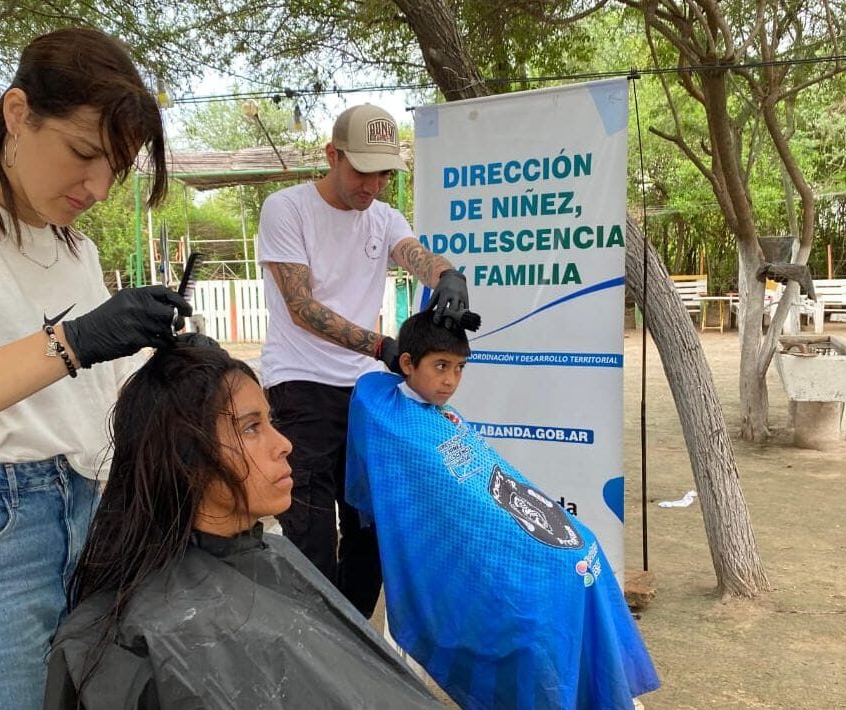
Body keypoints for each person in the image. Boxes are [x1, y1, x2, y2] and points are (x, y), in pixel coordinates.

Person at [0, 28, 192, 709]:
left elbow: (90, 393)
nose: (97, 186)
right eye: (84, 153)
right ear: (17, 114)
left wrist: (169, 373)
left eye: (115, 167)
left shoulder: (75, 249)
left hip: (90, 512)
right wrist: (73, 342)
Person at [44, 344, 444, 709]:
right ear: (188, 457)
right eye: (252, 427)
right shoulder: (133, 644)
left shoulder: (277, 557)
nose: (284, 443)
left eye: (271, 421)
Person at [345, 312, 661, 710]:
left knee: (584, 551)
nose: (450, 381)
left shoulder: (443, 417)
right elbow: (368, 386)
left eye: (459, 369)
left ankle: (604, 691)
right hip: (462, 545)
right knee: (553, 590)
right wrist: (390, 354)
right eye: (440, 367)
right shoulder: (387, 414)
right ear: (407, 364)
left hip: (503, 519)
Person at [257, 103, 469, 618]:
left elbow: (414, 253)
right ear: (332, 155)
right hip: (299, 386)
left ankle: (348, 639)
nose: (372, 185)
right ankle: (313, 645)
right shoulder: (287, 209)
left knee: (370, 530)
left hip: (367, 396)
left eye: (383, 173)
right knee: (309, 533)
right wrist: (381, 348)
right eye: (361, 170)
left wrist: (446, 275)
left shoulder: (385, 217)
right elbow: (303, 309)